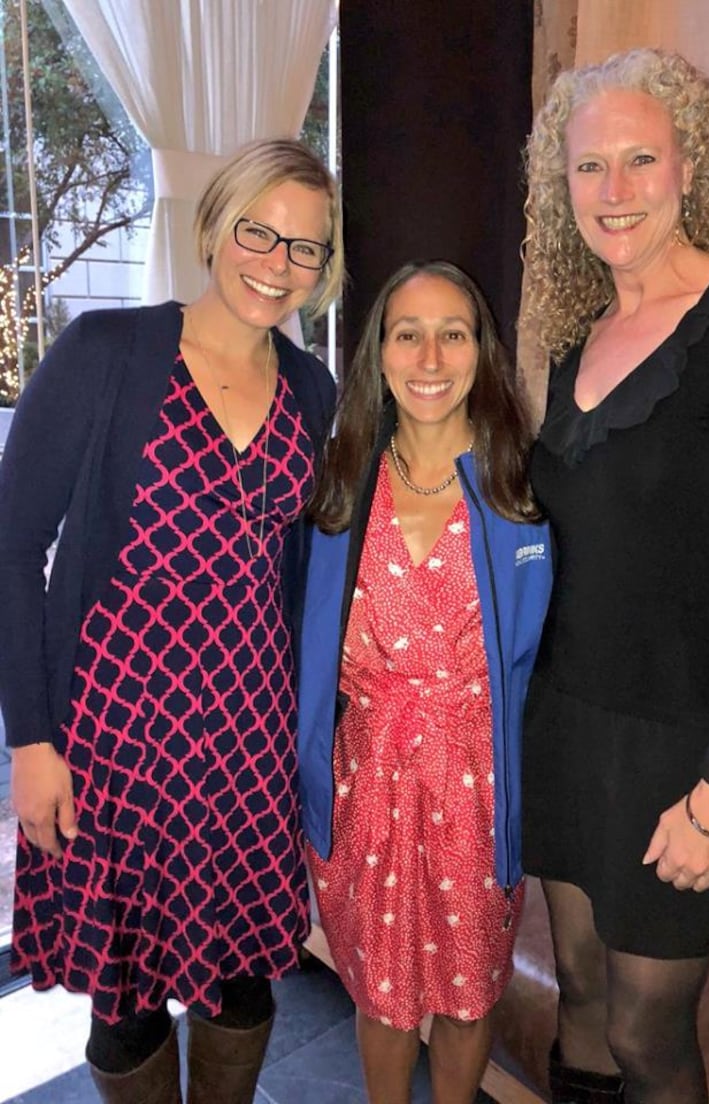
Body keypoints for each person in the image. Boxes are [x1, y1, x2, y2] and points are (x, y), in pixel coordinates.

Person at [0, 138, 343, 1104]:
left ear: (325, 267)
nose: (277, 264)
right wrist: (29, 740)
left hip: (248, 730)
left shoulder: (314, 392)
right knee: (130, 993)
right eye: (258, 232)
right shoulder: (107, 353)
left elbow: (313, 573)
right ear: (213, 227)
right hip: (116, 732)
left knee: (242, 976)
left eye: (305, 248)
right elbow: (14, 550)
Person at [521, 46, 709, 1104]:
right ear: (560, 187)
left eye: (638, 160)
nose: (613, 192)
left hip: (681, 747)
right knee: (578, 992)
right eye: (587, 167)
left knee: (649, 1036)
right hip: (562, 725)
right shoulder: (573, 340)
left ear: (686, 168)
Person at [296, 260, 553, 1104]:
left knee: (470, 992)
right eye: (408, 333)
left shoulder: (522, 485)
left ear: (483, 351)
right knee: (380, 994)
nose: (431, 357)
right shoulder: (338, 476)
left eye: (454, 333)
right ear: (380, 351)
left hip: (477, 785)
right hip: (363, 778)